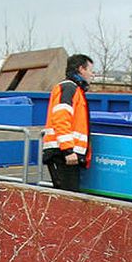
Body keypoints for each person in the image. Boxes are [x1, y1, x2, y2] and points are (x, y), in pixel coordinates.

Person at [42, 54, 94, 192]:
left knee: (66, 198)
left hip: (64, 153)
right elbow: (61, 118)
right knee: (68, 199)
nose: (92, 75)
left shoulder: (72, 89)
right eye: (90, 70)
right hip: (63, 154)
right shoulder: (69, 89)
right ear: (81, 69)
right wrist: (68, 150)